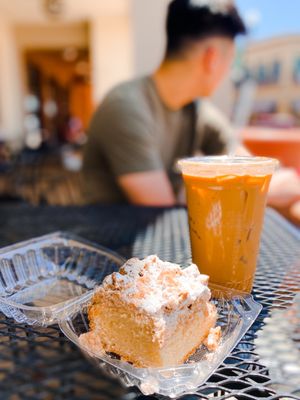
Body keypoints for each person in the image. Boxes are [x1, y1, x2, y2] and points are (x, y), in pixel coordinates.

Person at [82, 0, 300, 219]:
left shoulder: (195, 109)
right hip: (109, 240)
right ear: (212, 59)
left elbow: (249, 167)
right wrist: (261, 191)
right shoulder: (125, 107)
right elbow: (162, 207)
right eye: (230, 61)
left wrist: (265, 187)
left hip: (159, 240)